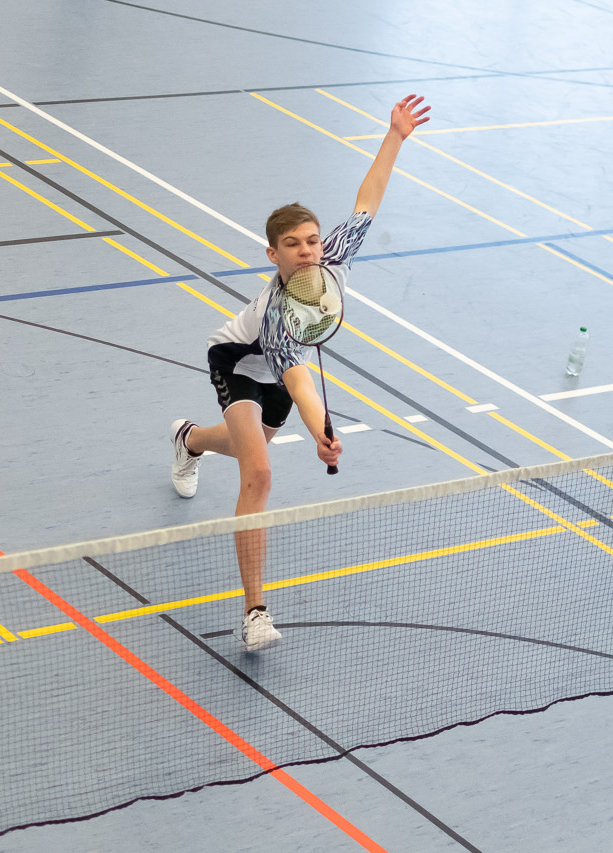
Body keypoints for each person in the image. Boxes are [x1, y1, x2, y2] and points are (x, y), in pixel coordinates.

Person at [170, 95, 430, 651]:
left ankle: (188, 440)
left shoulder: (332, 260)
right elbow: (299, 382)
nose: (307, 251)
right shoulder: (274, 316)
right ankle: (255, 612)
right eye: (293, 245)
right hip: (239, 363)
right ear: (274, 255)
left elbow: (367, 201)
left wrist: (395, 136)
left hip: (280, 375)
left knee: (249, 444)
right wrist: (320, 433)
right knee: (259, 475)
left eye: (312, 240)